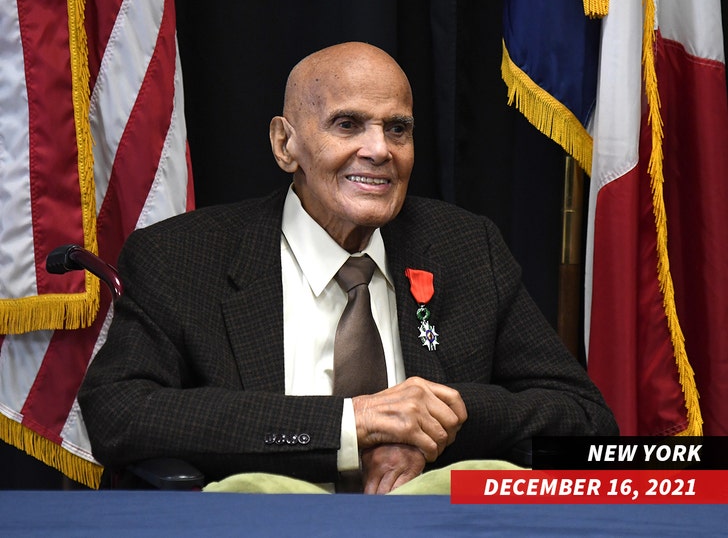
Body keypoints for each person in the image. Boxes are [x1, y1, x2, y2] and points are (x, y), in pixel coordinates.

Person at [78, 42, 617, 494]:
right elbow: (119, 413)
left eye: (398, 129)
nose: (379, 150)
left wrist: (434, 423)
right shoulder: (183, 256)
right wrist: (351, 425)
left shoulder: (466, 248)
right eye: (347, 124)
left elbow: (585, 418)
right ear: (285, 144)